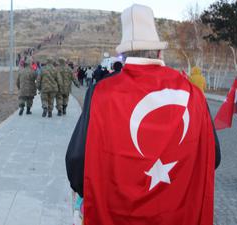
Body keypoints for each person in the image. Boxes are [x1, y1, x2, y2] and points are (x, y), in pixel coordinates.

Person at [66, 4, 220, 225]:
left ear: (124, 54)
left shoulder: (101, 93)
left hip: (116, 214)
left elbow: (77, 161)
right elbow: (213, 157)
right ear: (159, 52)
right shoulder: (193, 94)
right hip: (176, 215)